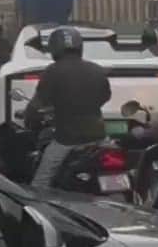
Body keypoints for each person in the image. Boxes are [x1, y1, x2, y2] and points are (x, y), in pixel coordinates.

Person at [27, 27, 112, 190]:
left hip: (66, 139)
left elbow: (37, 104)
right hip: (99, 137)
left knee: (40, 184)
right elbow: (105, 96)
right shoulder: (96, 69)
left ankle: (39, 211)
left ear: (54, 48)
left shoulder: (52, 71)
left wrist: (29, 117)